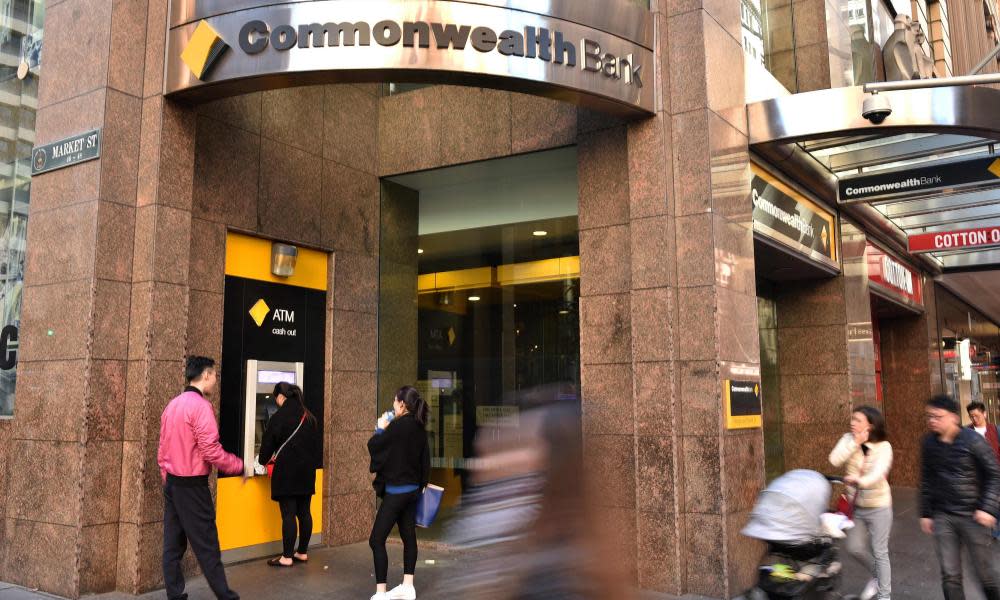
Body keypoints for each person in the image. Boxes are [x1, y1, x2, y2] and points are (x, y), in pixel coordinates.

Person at [157, 356, 245, 600]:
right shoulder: (201, 407)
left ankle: (175, 595)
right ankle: (226, 596)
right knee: (207, 545)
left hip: (173, 483)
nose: (216, 380)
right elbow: (211, 450)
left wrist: (167, 477)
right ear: (205, 375)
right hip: (192, 486)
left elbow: (162, 449)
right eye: (215, 375)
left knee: (172, 545)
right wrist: (238, 465)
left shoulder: (172, 405)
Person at [920, 394, 1000, 600]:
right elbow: (927, 478)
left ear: (954, 417)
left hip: (973, 516)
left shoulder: (973, 440)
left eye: (938, 416)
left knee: (984, 574)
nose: (932, 421)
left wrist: (988, 508)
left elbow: (994, 474)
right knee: (950, 575)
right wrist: (926, 512)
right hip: (943, 516)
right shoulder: (928, 443)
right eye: (929, 416)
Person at [367, 385, 431, 600]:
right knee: (408, 536)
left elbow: (376, 447)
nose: (393, 405)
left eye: (395, 401)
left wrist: (379, 428)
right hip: (413, 492)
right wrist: (422, 484)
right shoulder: (419, 427)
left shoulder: (395, 427)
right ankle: (408, 586)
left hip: (396, 492)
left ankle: (381, 592)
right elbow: (425, 461)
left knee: (376, 539)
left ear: (402, 404)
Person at [829, 406, 893, 600]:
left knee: (880, 551)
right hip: (857, 506)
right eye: (852, 419)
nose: (852, 423)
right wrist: (855, 442)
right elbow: (834, 460)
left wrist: (860, 481)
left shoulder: (883, 446)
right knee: (854, 547)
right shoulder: (848, 439)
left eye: (858, 420)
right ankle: (879, 576)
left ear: (870, 425)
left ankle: (884, 594)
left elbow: (878, 472)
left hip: (879, 505)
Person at [257, 381, 320, 567]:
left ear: (281, 397)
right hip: (307, 473)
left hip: (286, 474)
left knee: (288, 515)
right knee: (304, 513)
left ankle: (286, 556)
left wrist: (262, 460)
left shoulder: (278, 417)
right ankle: (302, 552)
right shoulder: (309, 417)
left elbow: (265, 452)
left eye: (275, 398)